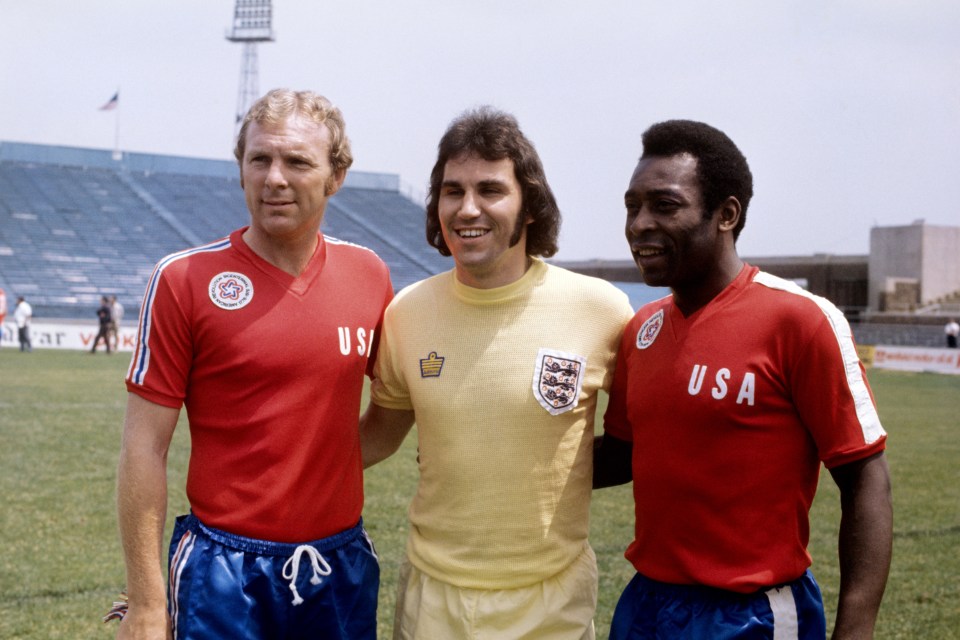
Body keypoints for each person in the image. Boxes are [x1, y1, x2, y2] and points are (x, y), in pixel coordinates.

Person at [594, 119, 893, 639]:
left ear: (726, 214)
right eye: (631, 206)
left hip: (751, 614)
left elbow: (865, 475)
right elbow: (621, 454)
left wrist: (857, 628)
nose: (639, 224)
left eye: (664, 205)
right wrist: (491, 462)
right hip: (646, 602)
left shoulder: (800, 320)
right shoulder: (642, 329)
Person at [114, 89, 393, 640]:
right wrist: (147, 601)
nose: (274, 178)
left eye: (297, 161)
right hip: (222, 570)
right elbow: (143, 448)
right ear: (240, 168)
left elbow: (395, 405)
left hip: (338, 565)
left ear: (336, 175)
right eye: (259, 158)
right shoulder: (183, 280)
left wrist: (319, 465)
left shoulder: (370, 275)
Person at [360, 106, 634, 639]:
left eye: (490, 189)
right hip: (432, 598)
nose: (467, 209)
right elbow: (379, 434)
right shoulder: (406, 313)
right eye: (451, 190)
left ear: (529, 205)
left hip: (549, 599)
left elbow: (642, 441)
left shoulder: (602, 311)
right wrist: (272, 467)